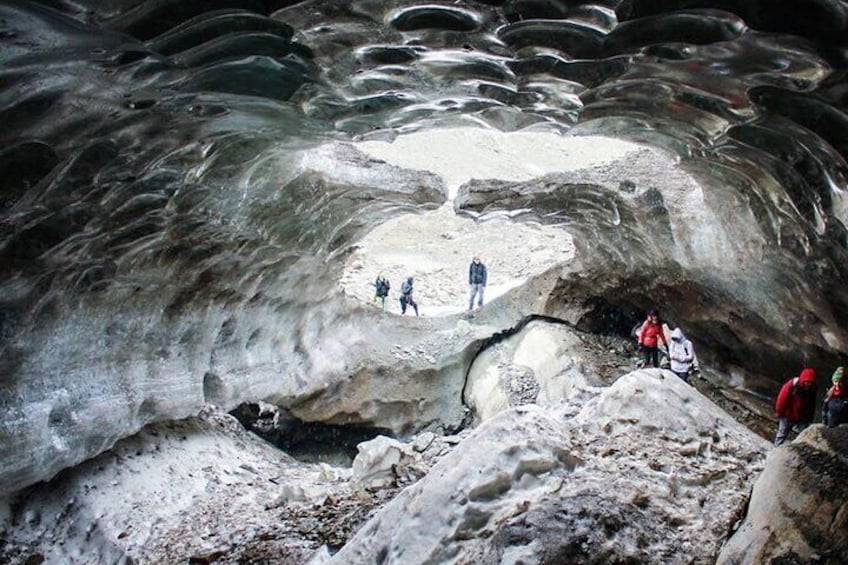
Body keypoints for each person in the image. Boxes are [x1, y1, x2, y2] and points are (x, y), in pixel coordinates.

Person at [774, 367, 817, 446]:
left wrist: (809, 418)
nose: (808, 384)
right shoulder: (791, 385)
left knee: (804, 434)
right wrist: (779, 412)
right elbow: (781, 400)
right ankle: (775, 450)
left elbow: (811, 404)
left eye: (810, 382)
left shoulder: (812, 389)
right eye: (807, 382)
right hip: (788, 414)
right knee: (782, 434)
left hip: (802, 416)